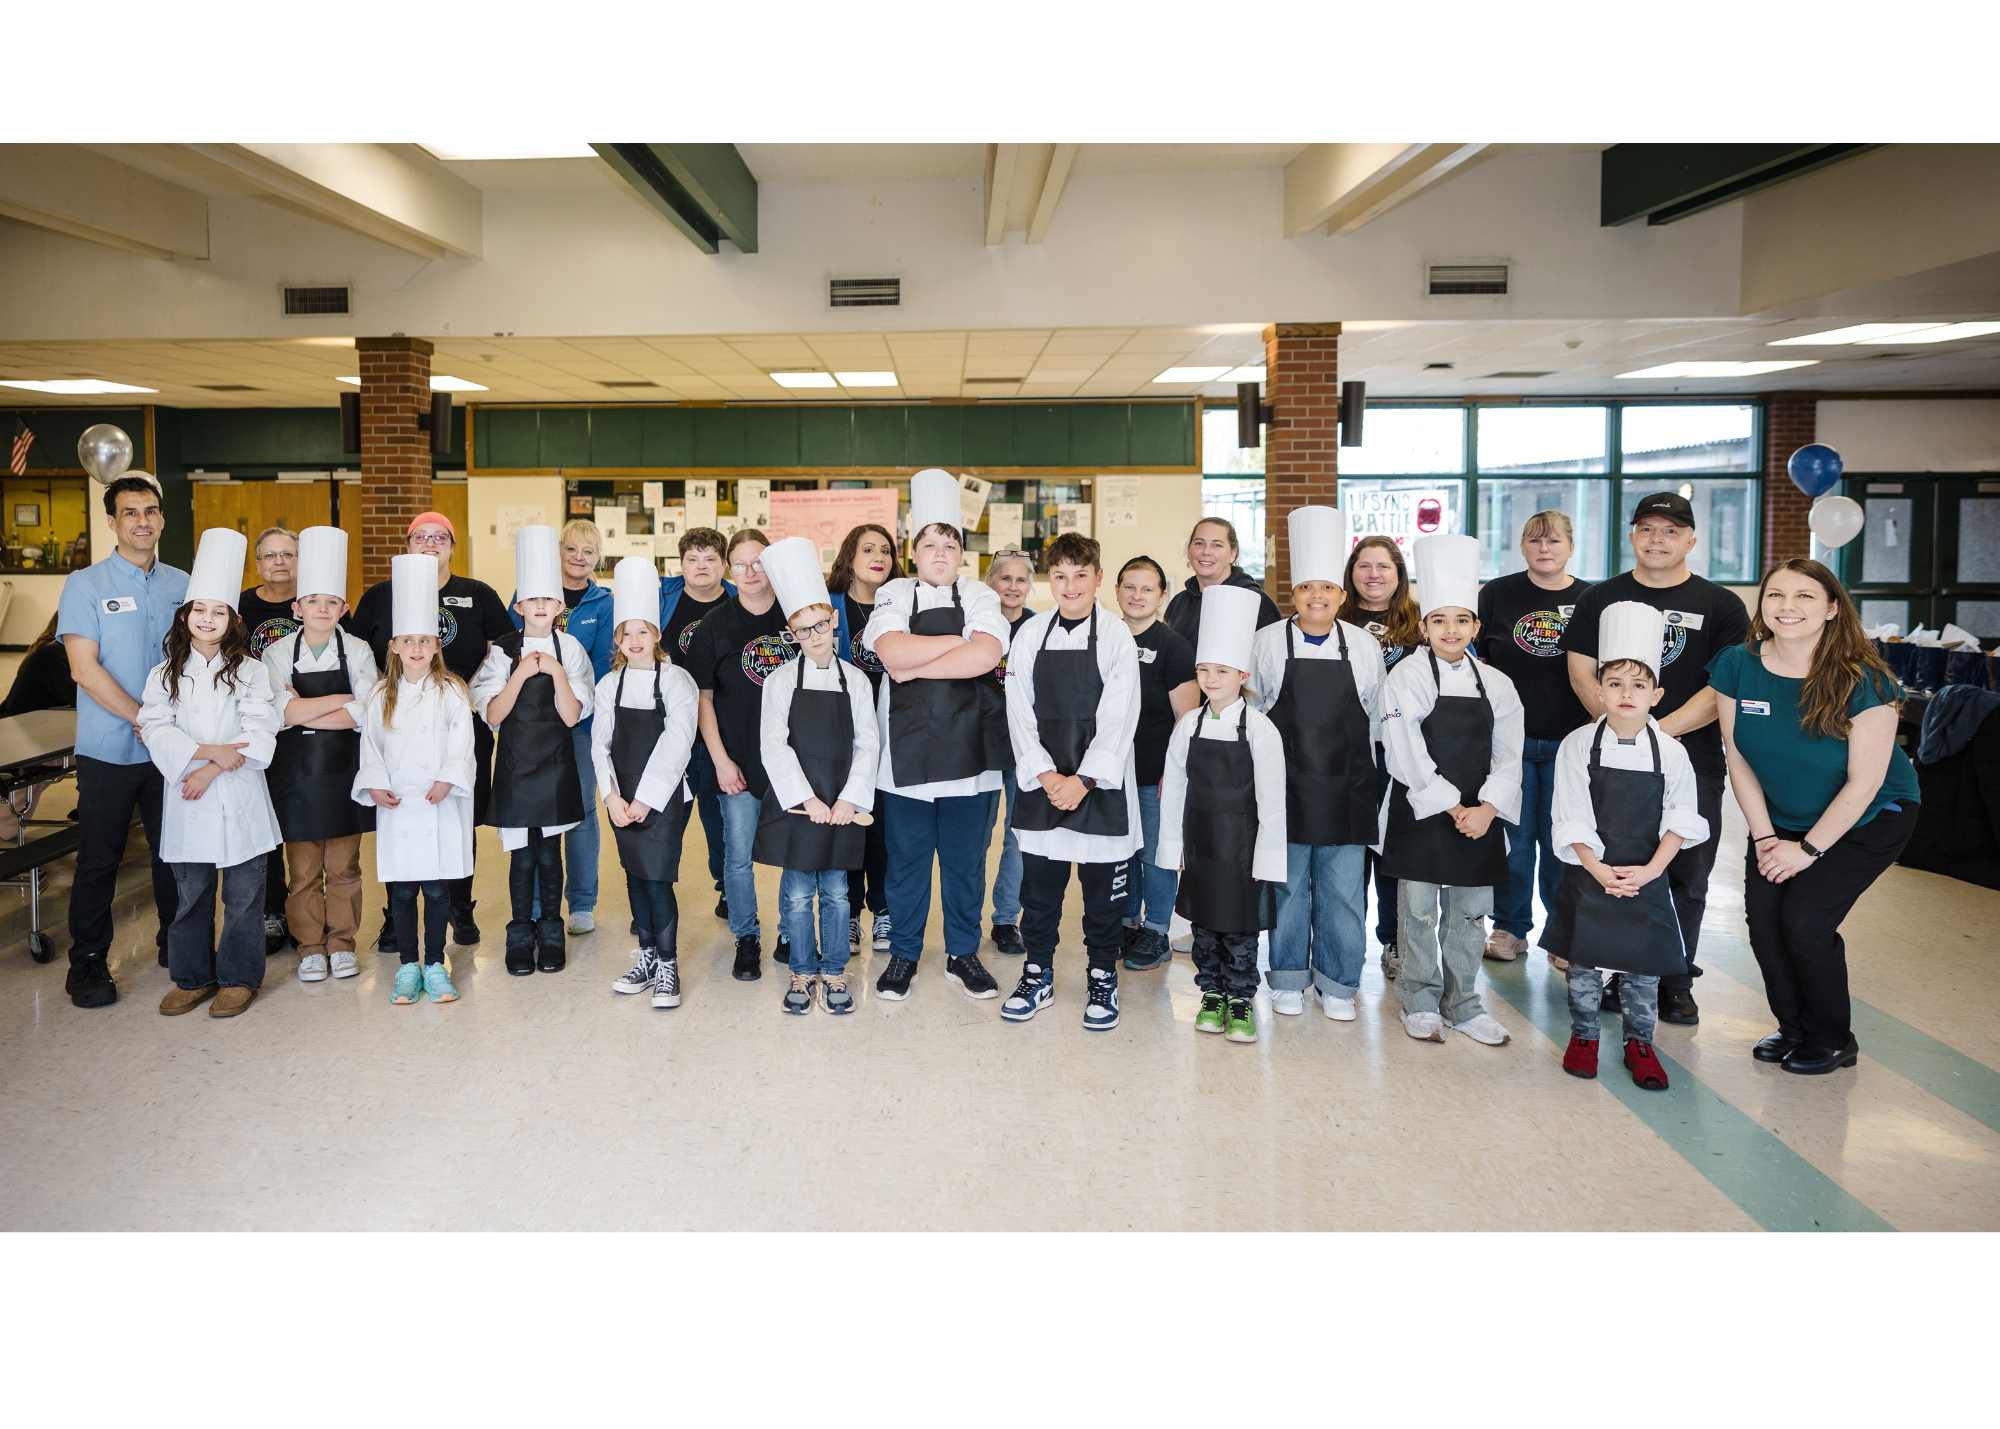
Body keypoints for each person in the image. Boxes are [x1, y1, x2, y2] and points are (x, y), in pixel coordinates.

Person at [1711, 558, 1921, 1076]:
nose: (1788, 607)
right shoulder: (1737, 664)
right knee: (1763, 922)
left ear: (1831, 608)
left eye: (1805, 596)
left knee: (1804, 922)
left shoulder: (1863, 678)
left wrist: (1805, 851)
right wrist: (1765, 838)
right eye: (1776, 595)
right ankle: (1795, 1025)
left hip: (1869, 817)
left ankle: (1831, 1038)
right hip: (1781, 819)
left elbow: (1864, 782)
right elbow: (1737, 757)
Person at [1560, 492, 1749, 1026]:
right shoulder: (1600, 597)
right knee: (1617, 865)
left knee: (1686, 872)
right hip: (1608, 762)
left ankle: (1674, 979)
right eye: (1647, 529)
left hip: (1694, 756)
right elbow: (1581, 672)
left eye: (1670, 531)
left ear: (1690, 540)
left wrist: (1654, 734)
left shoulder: (1722, 605)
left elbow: (1722, 687)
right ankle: (1624, 971)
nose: (1657, 540)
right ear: (1632, 536)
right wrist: (1623, 734)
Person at [1544, 603, 1710, 1089]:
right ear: (1599, 690)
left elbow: (1681, 818)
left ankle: (1640, 1042)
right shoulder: (1577, 744)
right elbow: (1571, 812)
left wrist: (1651, 871)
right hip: (1589, 869)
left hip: (1647, 873)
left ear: (1657, 693)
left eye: (1639, 685)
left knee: (1643, 967)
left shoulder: (1673, 752)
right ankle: (1585, 1035)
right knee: (1584, 962)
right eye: (1614, 683)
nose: (1626, 694)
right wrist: (1597, 869)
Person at [863, 469, 1008, 1002]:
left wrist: (916, 661)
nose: (941, 553)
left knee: (966, 864)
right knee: (905, 864)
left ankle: (962, 952)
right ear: (914, 552)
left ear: (962, 554)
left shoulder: (980, 595)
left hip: (972, 755)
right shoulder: (893, 592)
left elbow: (987, 655)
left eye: (951, 544)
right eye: (930, 543)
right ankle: (903, 954)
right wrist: (954, 646)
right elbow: (891, 654)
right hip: (905, 756)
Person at [1379, 534, 1523, 1048]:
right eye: (1439, 620)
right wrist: (1453, 803)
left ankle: (1463, 1004)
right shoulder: (1408, 676)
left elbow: (1510, 753)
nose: (1451, 630)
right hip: (1424, 812)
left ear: (1476, 627)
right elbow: (1404, 749)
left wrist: (1486, 808)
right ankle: (1419, 1002)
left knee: (1467, 916)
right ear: (1423, 627)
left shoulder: (1498, 683)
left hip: (1478, 818)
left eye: (1462, 620)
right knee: (1417, 915)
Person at [347, 512, 512, 948]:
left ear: (453, 546)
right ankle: (394, 917)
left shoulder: (476, 593)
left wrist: (475, 689)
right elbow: (356, 650)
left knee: (459, 817)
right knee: (396, 817)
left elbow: (506, 645)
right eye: (420, 536)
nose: (430, 542)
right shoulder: (381, 595)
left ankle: (459, 905)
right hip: (393, 716)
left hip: (458, 719)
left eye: (440, 536)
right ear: (407, 544)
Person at [998, 532, 1142, 1030]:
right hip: (1044, 784)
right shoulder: (1030, 636)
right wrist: (1044, 774)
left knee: (1103, 897)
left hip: (1096, 786)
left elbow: (1120, 715)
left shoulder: (1118, 636)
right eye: (1060, 576)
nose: (1070, 585)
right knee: (1039, 893)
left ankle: (1102, 975)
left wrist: (1082, 779)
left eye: (1081, 575)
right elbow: (1018, 713)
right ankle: (1037, 972)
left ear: (1098, 577)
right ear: (1049, 581)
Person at [56, 474, 187, 1009]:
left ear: (162, 518)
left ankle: (176, 945)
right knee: (99, 858)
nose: (142, 521)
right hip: (110, 748)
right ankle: (88, 963)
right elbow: (84, 670)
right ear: (111, 521)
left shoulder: (183, 582)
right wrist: (142, 719)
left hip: (172, 751)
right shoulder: (85, 585)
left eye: (151, 511)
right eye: (130, 512)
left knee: (173, 854)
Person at [140, 528, 282, 1020]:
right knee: (190, 893)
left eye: (218, 611)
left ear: (232, 620)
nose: (207, 619)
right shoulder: (163, 674)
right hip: (189, 797)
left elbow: (261, 731)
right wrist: (206, 758)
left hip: (239, 796)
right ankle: (192, 977)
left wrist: (212, 767)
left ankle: (239, 978)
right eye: (199, 610)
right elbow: (154, 728)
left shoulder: (250, 671)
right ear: (185, 616)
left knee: (244, 897)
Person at [1254, 506, 1383, 1023]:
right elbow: (1257, 711)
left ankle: (1339, 983)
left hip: (1349, 788)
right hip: (1285, 787)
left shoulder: (1365, 645)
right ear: (1294, 594)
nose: (1316, 597)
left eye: (1327, 589)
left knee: (1345, 893)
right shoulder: (1267, 642)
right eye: (1307, 588)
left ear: (1342, 596)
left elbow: (1375, 717)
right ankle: (1286, 978)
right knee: (1286, 888)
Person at [1156, 585, 1286, 1046]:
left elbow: (1273, 800)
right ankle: (1211, 993)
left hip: (1244, 848)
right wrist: (1172, 849)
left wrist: (1266, 859)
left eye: (1222, 671)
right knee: (1204, 926)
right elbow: (1173, 791)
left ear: (1242, 673)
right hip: (1199, 845)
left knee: (1241, 928)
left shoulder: (1262, 729)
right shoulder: (1188, 725)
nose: (1211, 679)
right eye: (1204, 670)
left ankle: (1240, 999)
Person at [754, 537, 879, 1016]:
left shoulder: (858, 680)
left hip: (842, 801)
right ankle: (802, 972)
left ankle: (835, 973)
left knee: (837, 891)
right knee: (800, 890)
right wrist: (807, 800)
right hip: (801, 802)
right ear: (792, 633)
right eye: (804, 631)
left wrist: (849, 799)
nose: (816, 637)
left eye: (822, 625)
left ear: (832, 620)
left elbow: (868, 743)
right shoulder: (781, 680)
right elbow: (774, 745)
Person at [470, 526, 595, 976]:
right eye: (531, 600)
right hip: (516, 766)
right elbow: (494, 715)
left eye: (550, 600)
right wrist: (522, 673)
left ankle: (551, 929)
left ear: (561, 607)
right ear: (518, 606)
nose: (540, 606)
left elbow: (571, 715)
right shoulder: (502, 652)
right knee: (522, 856)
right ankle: (519, 930)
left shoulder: (572, 648)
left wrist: (557, 672)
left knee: (550, 853)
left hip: (558, 766)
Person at [355, 554, 476, 1005]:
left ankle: (436, 964)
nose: (418, 649)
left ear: (437, 646)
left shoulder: (452, 691)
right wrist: (374, 782)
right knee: (402, 889)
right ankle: (408, 966)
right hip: (399, 805)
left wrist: (448, 779)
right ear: (394, 645)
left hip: (439, 801)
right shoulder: (379, 696)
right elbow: (370, 747)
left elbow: (463, 745)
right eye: (409, 640)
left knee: (439, 887)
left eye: (426, 640)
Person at [261, 526, 377, 985]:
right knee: (303, 870)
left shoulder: (360, 649)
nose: (323, 610)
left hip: (344, 773)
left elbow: (368, 711)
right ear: (297, 608)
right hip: (295, 778)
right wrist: (340, 701)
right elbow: (276, 714)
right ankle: (310, 946)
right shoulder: (273, 654)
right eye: (313, 602)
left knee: (344, 867)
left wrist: (302, 711)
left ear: (344, 609)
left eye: (332, 602)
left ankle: (342, 943)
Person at [1476, 511, 1593, 963]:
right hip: (1511, 743)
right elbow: (1475, 659)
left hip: (1570, 742)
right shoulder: (1499, 594)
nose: (1545, 549)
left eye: (1554, 541)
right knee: (1517, 842)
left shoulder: (1589, 599)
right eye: (1535, 540)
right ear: (1523, 546)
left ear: (1570, 547)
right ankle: (1510, 928)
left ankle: (1562, 934)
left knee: (1563, 839)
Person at [688, 528, 796, 979]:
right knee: (737, 856)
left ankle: (791, 930)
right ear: (729, 571)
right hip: (738, 759)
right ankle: (746, 936)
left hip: (793, 760)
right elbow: (703, 697)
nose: (750, 572)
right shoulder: (716, 623)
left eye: (758, 563)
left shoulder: (796, 615)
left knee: (795, 851)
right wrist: (720, 760)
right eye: (740, 564)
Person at [598, 558, 699, 1012]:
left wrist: (644, 799)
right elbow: (599, 745)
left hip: (663, 797)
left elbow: (678, 744)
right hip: (622, 798)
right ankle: (645, 957)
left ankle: (668, 965)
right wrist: (612, 797)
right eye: (626, 633)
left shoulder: (678, 681)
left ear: (657, 635)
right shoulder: (609, 684)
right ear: (616, 640)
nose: (634, 641)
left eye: (643, 631)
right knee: (633, 876)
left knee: (657, 878)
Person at [511, 519, 615, 935]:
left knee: (582, 811)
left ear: (597, 558)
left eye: (588, 552)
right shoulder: (527, 590)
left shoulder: (603, 602)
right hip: (529, 724)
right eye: (571, 549)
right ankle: (536, 903)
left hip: (579, 722)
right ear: (558, 551)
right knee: (534, 811)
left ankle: (582, 903)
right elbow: (512, 646)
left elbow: (607, 664)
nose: (578, 558)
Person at [1337, 535, 1425, 979]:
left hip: (1403, 754)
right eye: (1364, 566)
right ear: (1350, 574)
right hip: (1344, 752)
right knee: (1349, 851)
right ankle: (1342, 940)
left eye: (1383, 567)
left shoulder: (1420, 625)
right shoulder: (1333, 619)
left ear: (1398, 574)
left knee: (1393, 850)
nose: (1373, 574)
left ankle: (1393, 941)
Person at [1114, 555, 1197, 972]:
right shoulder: (1107, 637)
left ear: (1162, 595)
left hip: (1155, 774)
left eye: (1147, 588)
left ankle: (1157, 930)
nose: (1137, 595)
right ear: (1116, 590)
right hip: (1110, 773)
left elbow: (1186, 720)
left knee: (1155, 854)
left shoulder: (1173, 646)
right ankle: (1127, 924)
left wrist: (1175, 773)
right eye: (1129, 586)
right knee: (1120, 852)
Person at [659, 526, 736, 921]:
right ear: (681, 564)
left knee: (720, 815)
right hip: (669, 726)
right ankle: (656, 896)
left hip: (722, 727)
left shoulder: (740, 600)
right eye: (693, 559)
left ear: (724, 564)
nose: (702, 566)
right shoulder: (663, 598)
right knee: (665, 815)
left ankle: (728, 890)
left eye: (710, 559)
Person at [829, 522, 899, 952]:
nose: (879, 556)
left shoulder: (901, 604)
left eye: (886, 550)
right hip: (843, 733)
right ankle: (852, 913)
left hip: (894, 731)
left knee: (887, 828)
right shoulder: (830, 605)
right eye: (868, 548)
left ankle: (884, 912)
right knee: (850, 822)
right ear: (849, 558)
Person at [239, 526, 300, 952]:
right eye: (269, 555)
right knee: (266, 825)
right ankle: (273, 911)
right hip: (255, 730)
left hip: (307, 731)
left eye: (287, 554)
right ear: (258, 563)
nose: (279, 562)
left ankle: (307, 912)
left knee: (304, 827)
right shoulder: (239, 606)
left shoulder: (318, 601)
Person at [980, 550, 1037, 955]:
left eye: (1021, 580)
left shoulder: (1040, 628)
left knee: (1018, 835)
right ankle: (965, 916)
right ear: (991, 583)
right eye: (1006, 579)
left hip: (1025, 746)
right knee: (976, 837)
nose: (1013, 587)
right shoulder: (976, 625)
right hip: (980, 742)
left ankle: (1005, 920)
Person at [0, 613, 73, 842]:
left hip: (39, 739)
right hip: (22, 744)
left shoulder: (52, 650)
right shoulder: (52, 652)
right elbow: (80, 697)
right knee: (7, 830)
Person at [1162, 515, 1280, 648]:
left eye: (1217, 545)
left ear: (1232, 554)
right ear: (1189, 551)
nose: (1206, 551)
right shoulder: (1179, 602)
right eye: (1199, 543)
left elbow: (1272, 659)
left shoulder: (1255, 601)